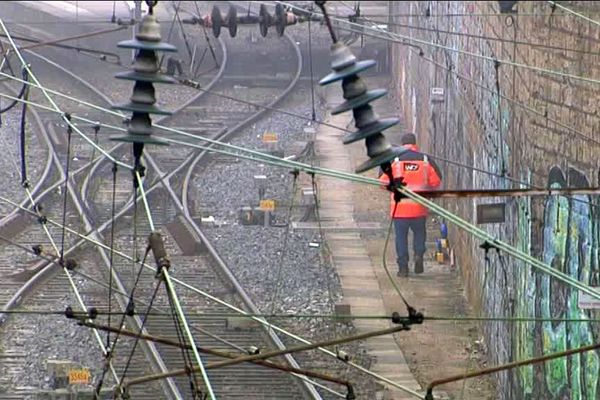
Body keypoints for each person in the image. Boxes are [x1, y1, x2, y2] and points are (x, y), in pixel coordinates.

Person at [379, 133, 442, 277]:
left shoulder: (393, 160)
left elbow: (382, 182)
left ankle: (403, 268)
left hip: (400, 209)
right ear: (415, 143)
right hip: (419, 209)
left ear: (402, 144)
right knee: (420, 233)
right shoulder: (425, 160)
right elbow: (436, 181)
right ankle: (419, 255)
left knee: (401, 238)